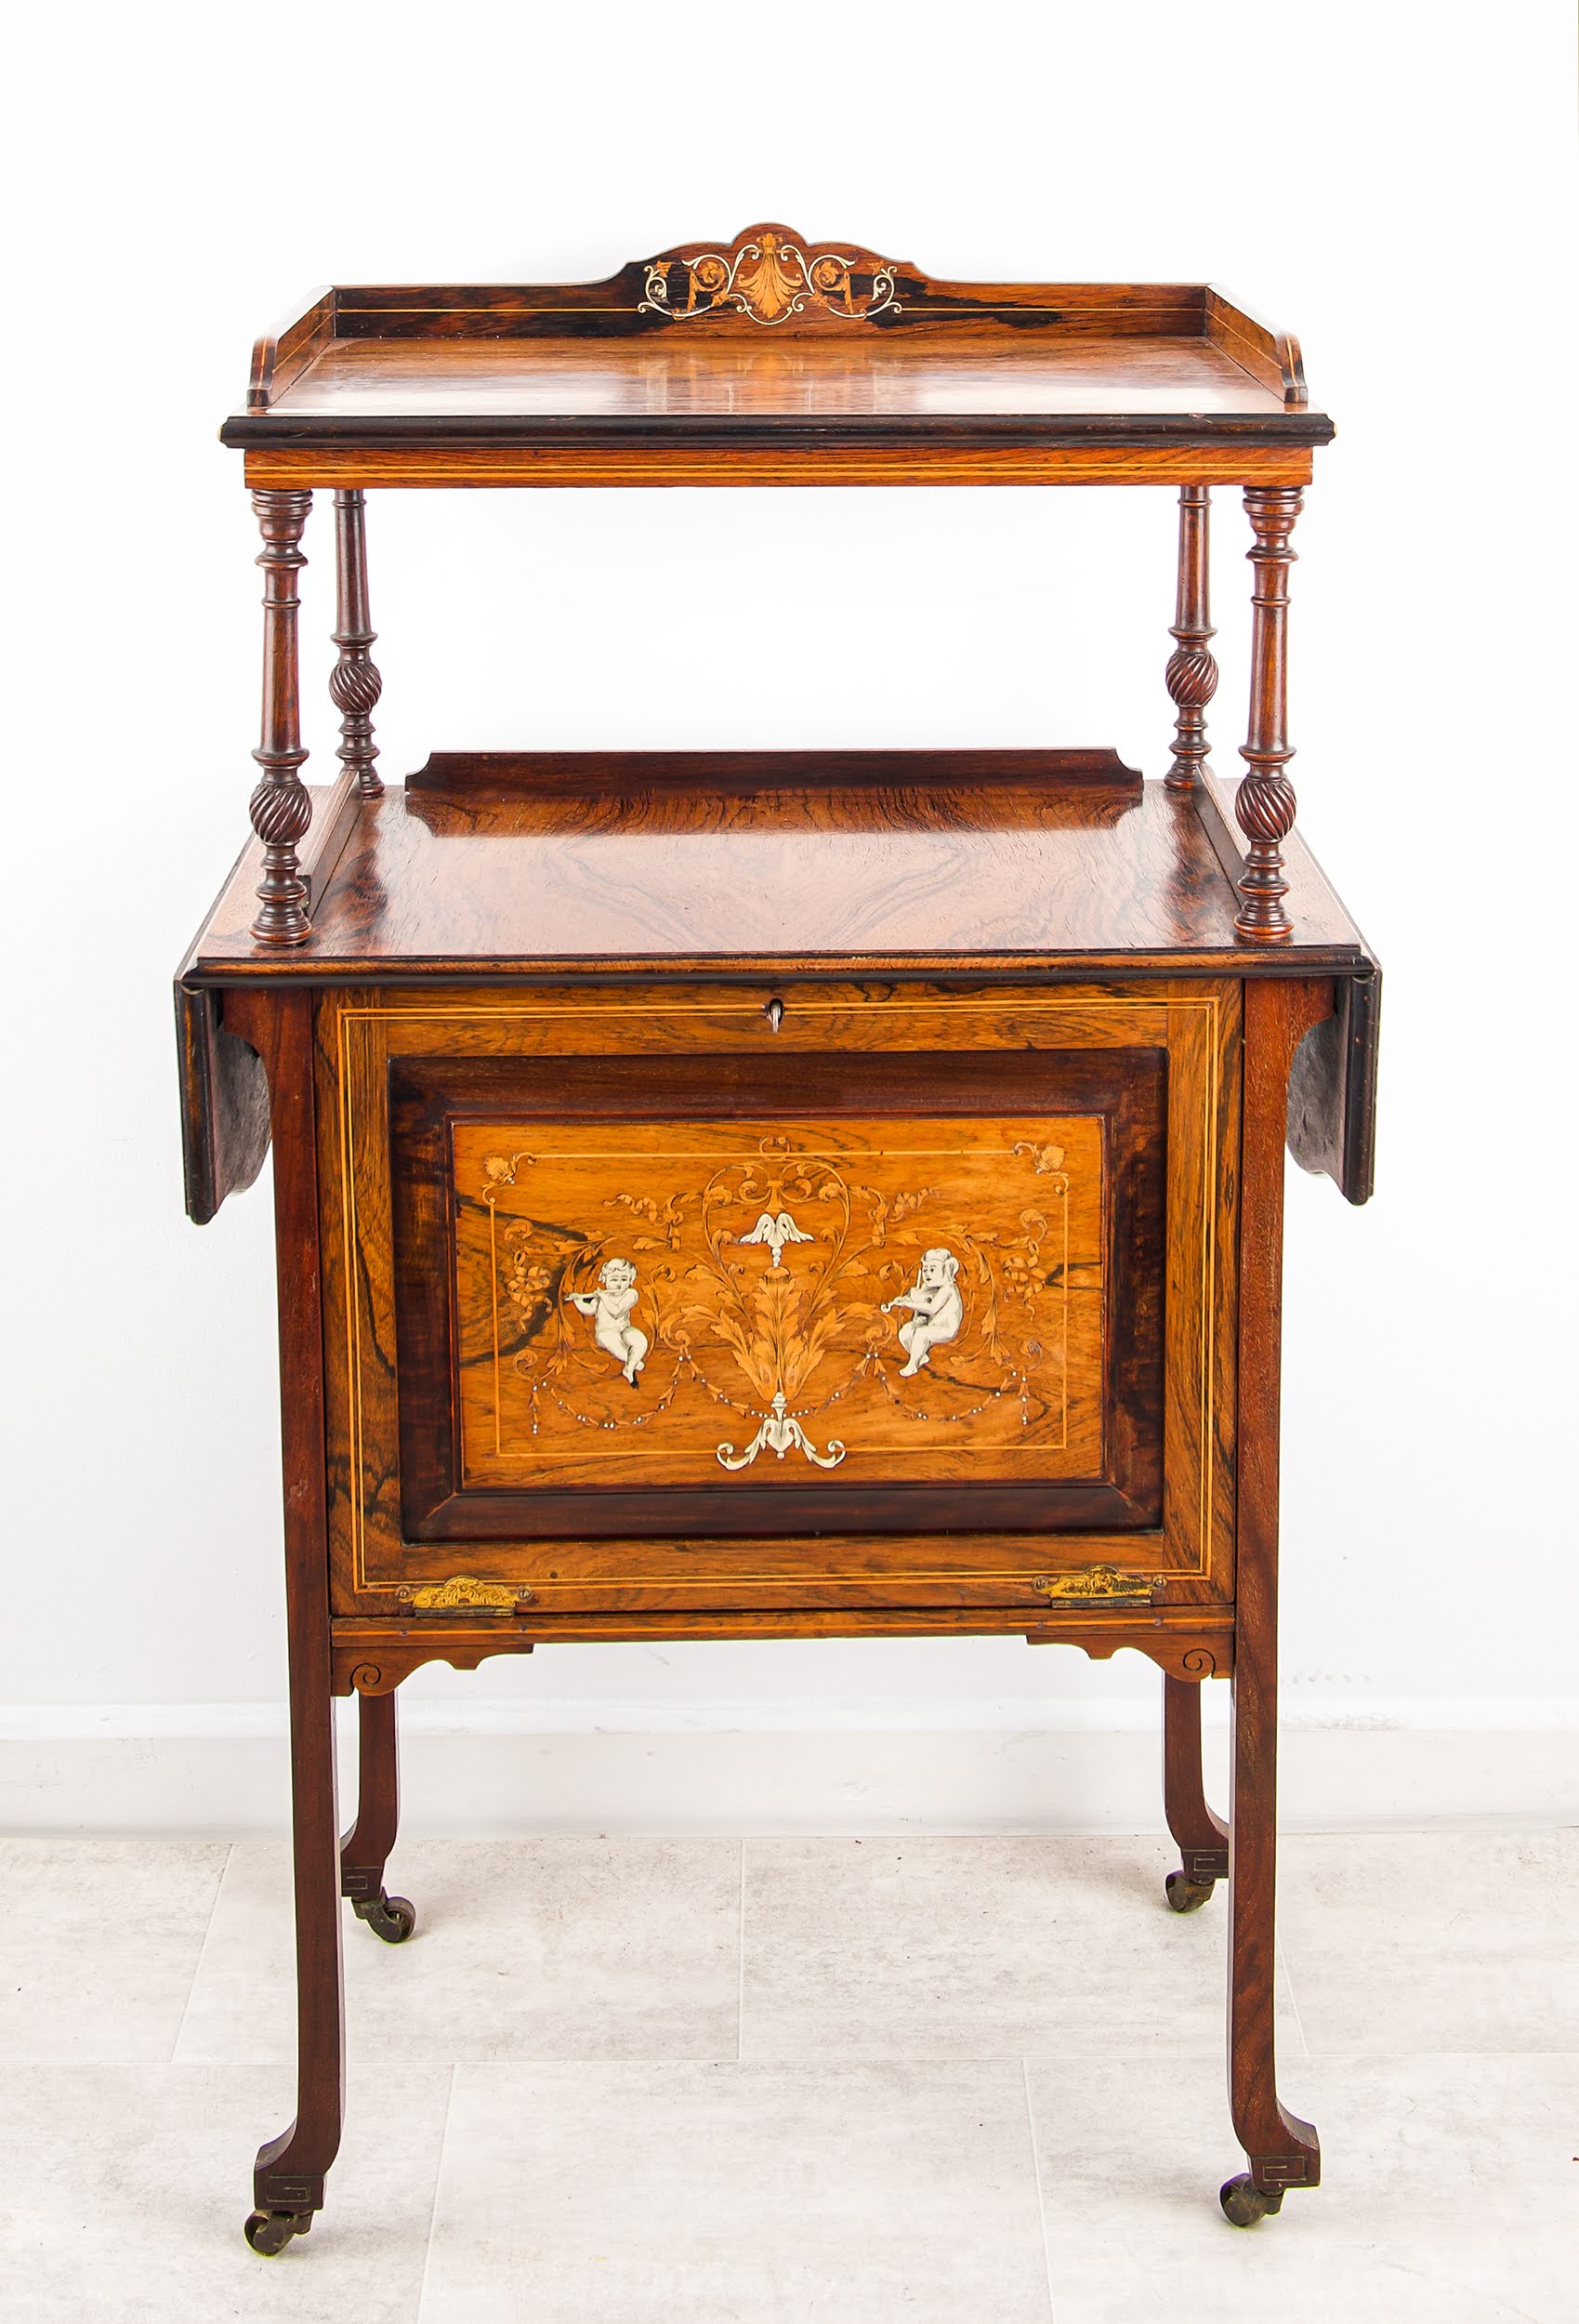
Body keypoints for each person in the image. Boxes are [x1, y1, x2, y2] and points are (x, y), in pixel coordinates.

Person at [567, 1257, 648, 1384]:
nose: (619, 1284)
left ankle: (629, 1367)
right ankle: (633, 1362)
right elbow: (588, 1309)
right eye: (614, 1280)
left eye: (624, 1279)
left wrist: (604, 1297)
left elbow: (616, 1312)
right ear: (605, 1280)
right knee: (612, 1341)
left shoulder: (631, 1294)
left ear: (630, 1281)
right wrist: (577, 1299)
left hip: (623, 1329)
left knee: (640, 1340)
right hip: (605, 1332)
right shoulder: (601, 1297)